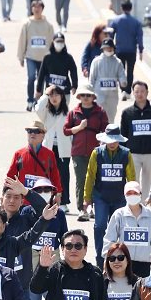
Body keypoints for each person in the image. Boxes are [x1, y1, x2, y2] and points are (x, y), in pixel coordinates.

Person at [84, 124, 136, 267]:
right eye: (109, 140)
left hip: (119, 198)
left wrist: (133, 198)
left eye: (115, 140)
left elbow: (131, 177)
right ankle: (100, 258)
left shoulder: (126, 154)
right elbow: (90, 176)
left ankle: (119, 259)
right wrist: (87, 198)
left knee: (120, 228)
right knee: (100, 226)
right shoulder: (96, 153)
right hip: (101, 197)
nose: (112, 143)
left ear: (119, 140)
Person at [63, 84, 109, 221]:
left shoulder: (100, 112)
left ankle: (93, 207)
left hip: (96, 152)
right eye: (83, 95)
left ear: (93, 97)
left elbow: (106, 130)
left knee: (95, 180)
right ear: (79, 97)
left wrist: (102, 143)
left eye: (88, 95)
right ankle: (82, 209)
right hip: (78, 152)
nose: (85, 98)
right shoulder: (73, 112)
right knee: (81, 180)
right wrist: (79, 127)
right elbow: (66, 131)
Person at [120, 81, 151, 194]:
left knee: (148, 180)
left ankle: (145, 202)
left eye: (142, 91)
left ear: (147, 93)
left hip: (150, 152)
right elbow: (123, 133)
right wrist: (122, 150)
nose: (140, 94)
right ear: (133, 93)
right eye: (137, 91)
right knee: (133, 181)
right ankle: (133, 201)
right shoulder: (127, 113)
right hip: (133, 153)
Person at [103, 181, 151, 278]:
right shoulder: (118, 214)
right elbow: (109, 239)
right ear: (124, 195)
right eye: (129, 193)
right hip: (123, 262)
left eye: (135, 193)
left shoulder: (150, 215)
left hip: (144, 264)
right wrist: (107, 259)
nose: (132, 195)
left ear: (140, 194)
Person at [6, 118, 62, 201]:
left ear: (43, 135)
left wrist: (58, 194)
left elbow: (55, 176)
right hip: (23, 200)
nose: (32, 133)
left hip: (43, 200)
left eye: (37, 131)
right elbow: (11, 177)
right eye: (29, 131)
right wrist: (6, 194)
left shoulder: (49, 154)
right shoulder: (19, 154)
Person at [36, 84, 72, 210]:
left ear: (62, 96)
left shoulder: (68, 112)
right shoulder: (46, 112)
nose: (54, 98)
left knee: (63, 175)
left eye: (57, 95)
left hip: (63, 149)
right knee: (47, 175)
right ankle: (48, 201)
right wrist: (46, 94)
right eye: (51, 95)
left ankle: (63, 202)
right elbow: (38, 108)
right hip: (48, 148)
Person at [17, 0, 54, 110]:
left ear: (42, 9)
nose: (37, 9)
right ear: (32, 9)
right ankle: (30, 100)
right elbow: (22, 40)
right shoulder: (27, 24)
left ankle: (39, 101)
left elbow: (51, 42)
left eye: (39, 7)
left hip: (44, 58)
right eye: (35, 7)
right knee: (31, 77)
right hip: (31, 56)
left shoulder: (48, 25)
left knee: (41, 79)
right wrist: (21, 56)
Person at [108, 0, 144, 91]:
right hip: (131, 50)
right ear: (131, 8)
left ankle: (122, 89)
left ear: (122, 8)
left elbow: (110, 35)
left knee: (121, 70)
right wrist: (140, 50)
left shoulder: (116, 20)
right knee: (130, 71)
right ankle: (128, 90)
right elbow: (139, 37)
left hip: (119, 50)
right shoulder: (136, 22)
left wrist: (110, 48)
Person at [88, 38, 126, 121]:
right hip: (99, 95)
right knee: (98, 117)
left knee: (111, 118)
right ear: (103, 49)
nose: (108, 50)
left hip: (112, 96)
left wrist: (123, 82)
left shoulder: (117, 62)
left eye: (110, 48)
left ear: (113, 49)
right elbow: (92, 78)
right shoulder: (96, 61)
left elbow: (121, 74)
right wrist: (90, 93)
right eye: (106, 48)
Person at [34, 32, 78, 97]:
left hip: (64, 91)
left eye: (61, 41)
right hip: (50, 91)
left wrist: (74, 86)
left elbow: (73, 71)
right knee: (41, 103)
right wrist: (38, 90)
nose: (59, 43)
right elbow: (41, 74)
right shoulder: (47, 57)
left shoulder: (68, 57)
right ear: (53, 42)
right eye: (57, 41)